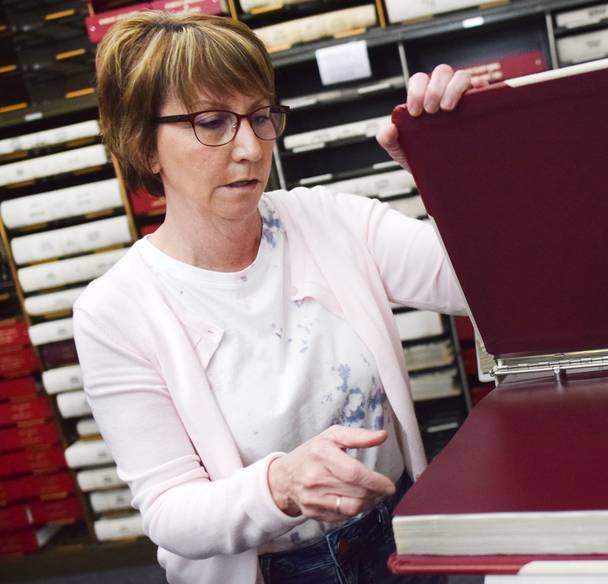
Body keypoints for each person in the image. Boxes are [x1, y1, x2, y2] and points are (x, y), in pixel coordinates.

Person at [73, 10, 478, 584]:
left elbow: (482, 288)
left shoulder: (330, 220)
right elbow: (169, 510)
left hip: (399, 537)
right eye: (212, 122)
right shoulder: (114, 312)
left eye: (261, 117)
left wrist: (453, 173)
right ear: (145, 146)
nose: (249, 148)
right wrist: (280, 485)